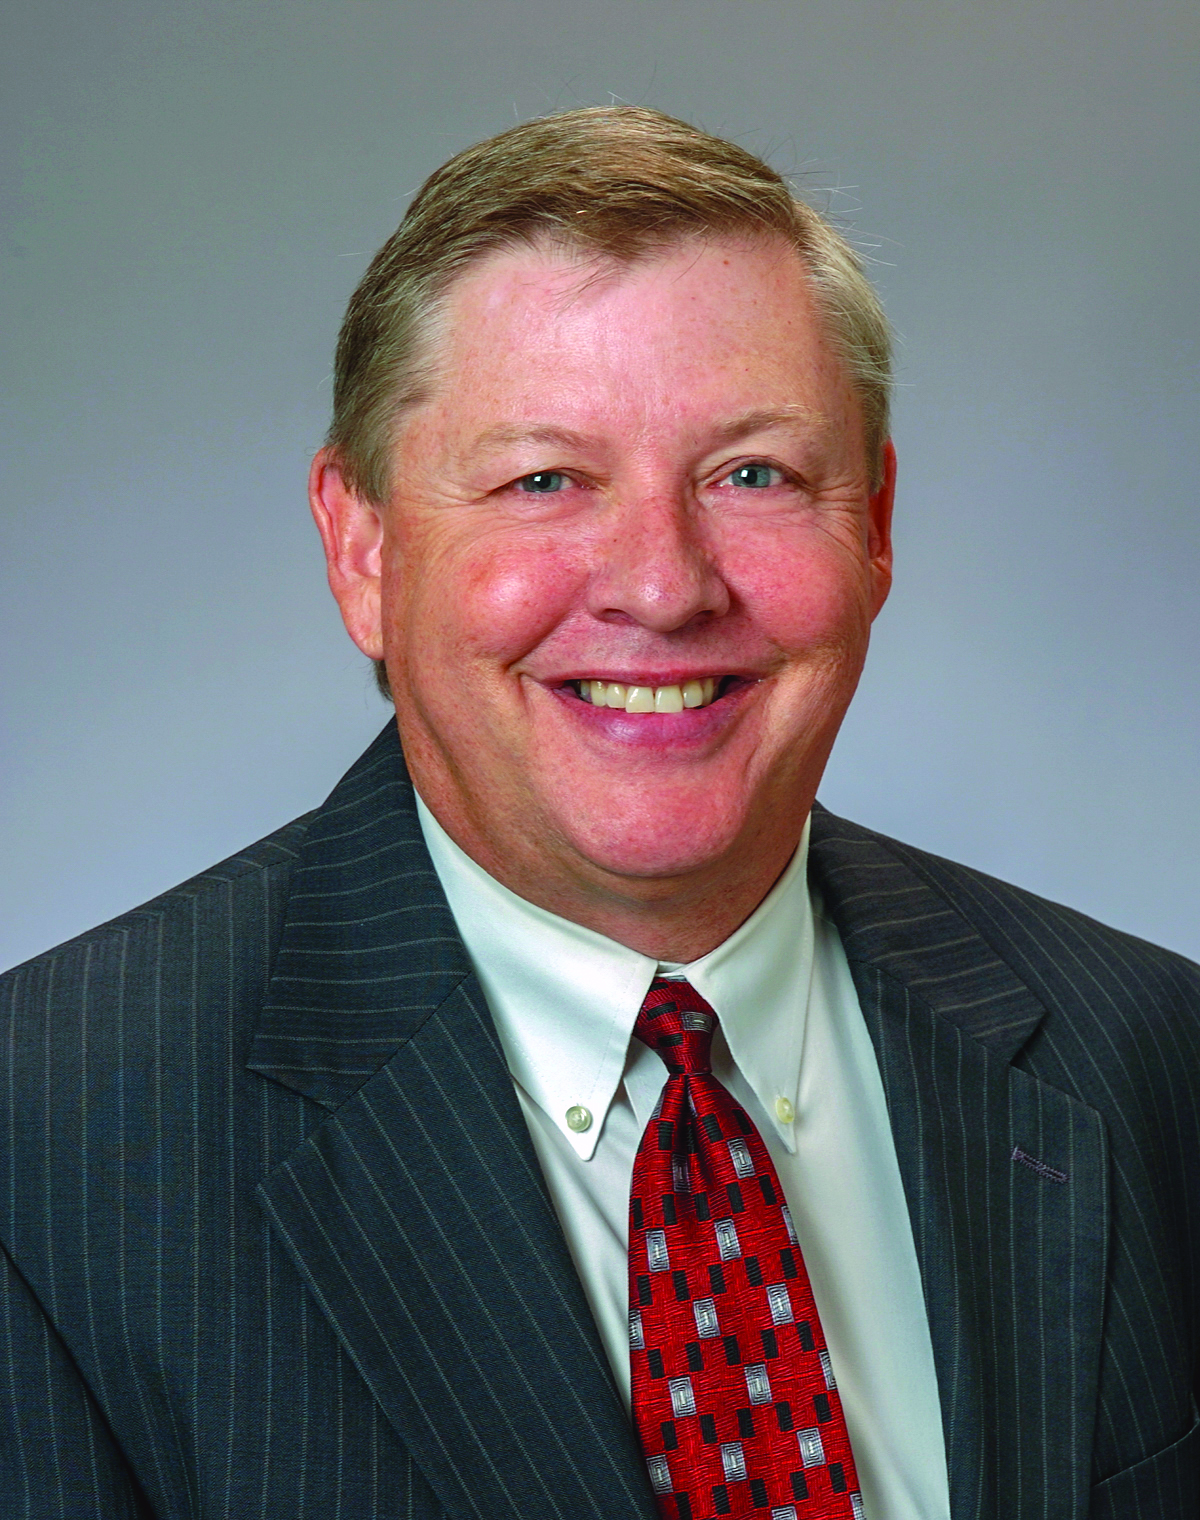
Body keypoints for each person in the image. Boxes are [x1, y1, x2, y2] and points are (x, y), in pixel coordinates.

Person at [1, 106, 1196, 1520]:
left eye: (753, 474)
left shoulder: (1149, 1053)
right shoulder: (49, 1148)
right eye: (545, 480)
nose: (664, 585)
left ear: (875, 524)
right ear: (363, 547)